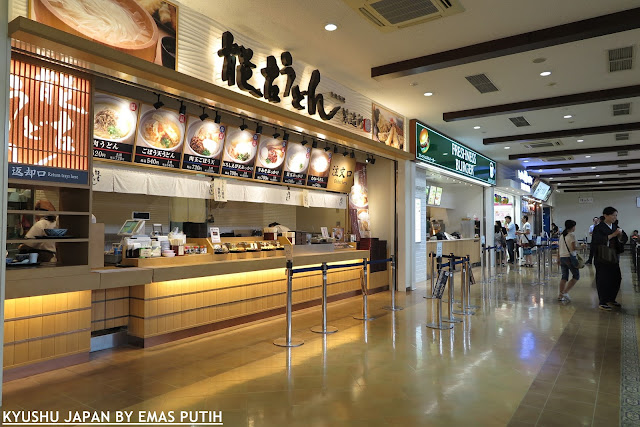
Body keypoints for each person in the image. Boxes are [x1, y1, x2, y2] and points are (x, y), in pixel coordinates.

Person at [592, 207, 625, 311]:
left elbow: (623, 238)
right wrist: (613, 235)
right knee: (603, 279)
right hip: (602, 257)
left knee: (616, 278)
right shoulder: (598, 228)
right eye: (613, 215)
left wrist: (620, 235)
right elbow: (598, 240)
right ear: (605, 215)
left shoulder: (615, 226)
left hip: (613, 256)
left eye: (616, 215)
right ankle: (602, 301)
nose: (615, 217)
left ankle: (611, 298)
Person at [558, 220, 579, 302]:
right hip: (569, 258)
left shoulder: (562, 236)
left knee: (564, 276)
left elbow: (559, 248)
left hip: (562, 257)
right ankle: (565, 292)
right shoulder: (571, 235)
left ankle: (560, 295)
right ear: (572, 227)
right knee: (576, 276)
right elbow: (573, 248)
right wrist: (582, 247)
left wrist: (558, 258)